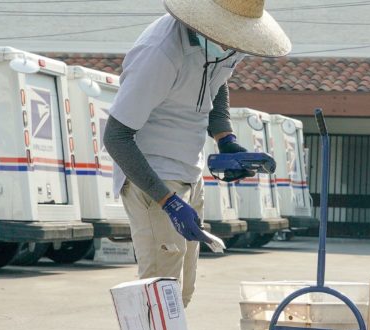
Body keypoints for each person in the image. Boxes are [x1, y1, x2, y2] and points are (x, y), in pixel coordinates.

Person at [103, 0, 291, 306]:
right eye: (229, 36)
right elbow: (116, 137)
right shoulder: (160, 53)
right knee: (159, 295)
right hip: (151, 177)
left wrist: (225, 137)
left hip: (190, 172)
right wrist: (168, 202)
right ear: (205, 22)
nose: (233, 46)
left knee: (181, 293)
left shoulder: (226, 43)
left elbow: (217, 81)